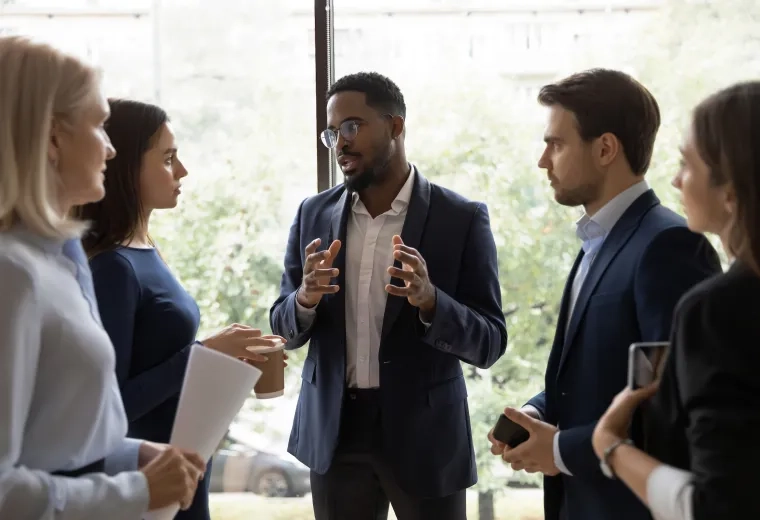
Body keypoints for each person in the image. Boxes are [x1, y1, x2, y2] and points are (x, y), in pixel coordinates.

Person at [270, 72, 507, 520]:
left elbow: (491, 341)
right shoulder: (312, 214)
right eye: (332, 132)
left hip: (426, 440)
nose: (340, 142)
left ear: (396, 126)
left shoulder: (460, 219)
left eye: (352, 126)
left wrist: (431, 300)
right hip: (335, 437)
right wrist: (304, 298)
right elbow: (283, 326)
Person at [486, 68, 722, 520]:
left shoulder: (669, 245)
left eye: (555, 143)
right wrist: (538, 412)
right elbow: (599, 374)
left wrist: (558, 449)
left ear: (606, 148)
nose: (542, 160)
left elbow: (669, 402)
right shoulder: (595, 243)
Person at [0, 35, 206, 519]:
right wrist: (134, 492)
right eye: (99, 126)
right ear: (52, 138)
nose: (111, 150)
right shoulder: (12, 275)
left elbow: (54, 445)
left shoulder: (64, 257)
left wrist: (129, 456)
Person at [73, 99, 285, 520]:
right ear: (127, 166)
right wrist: (204, 355)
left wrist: (219, 367)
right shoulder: (114, 268)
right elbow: (111, 407)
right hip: (148, 481)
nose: (182, 171)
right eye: (168, 159)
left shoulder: (145, 252)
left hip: (181, 467)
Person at [592, 80, 760, 520]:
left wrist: (610, 445)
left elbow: (718, 506)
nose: (675, 179)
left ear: (731, 190)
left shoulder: (717, 311)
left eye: (688, 163)